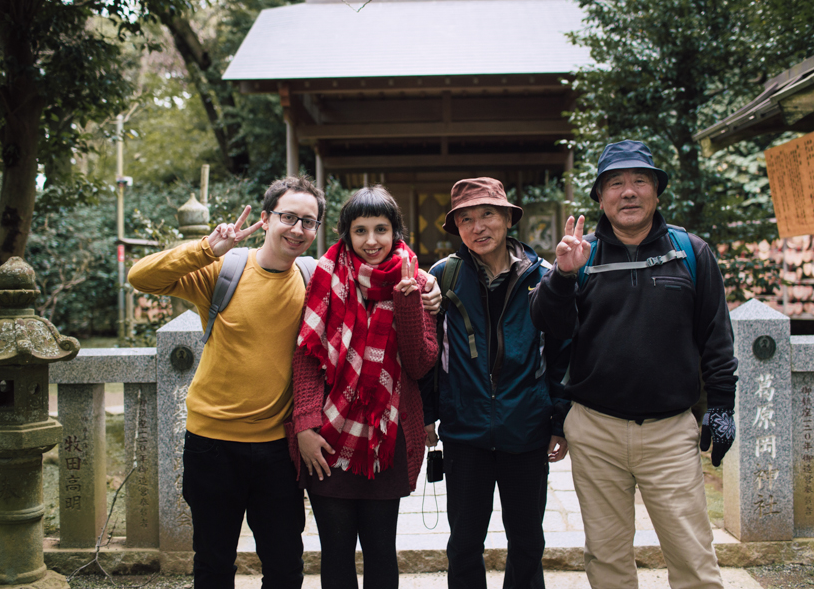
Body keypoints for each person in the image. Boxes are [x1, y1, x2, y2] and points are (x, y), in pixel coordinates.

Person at [528, 140, 738, 589]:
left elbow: (716, 336)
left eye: (639, 181)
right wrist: (562, 277)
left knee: (693, 558)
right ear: (600, 198)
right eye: (615, 183)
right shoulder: (580, 255)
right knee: (607, 560)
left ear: (657, 192)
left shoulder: (690, 252)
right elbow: (549, 326)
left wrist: (722, 405)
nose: (628, 192)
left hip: (669, 431)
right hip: (596, 428)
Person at [127, 175, 326, 589]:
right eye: (288, 217)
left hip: (279, 449)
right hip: (212, 445)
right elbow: (140, 277)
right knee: (214, 564)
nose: (298, 229)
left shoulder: (313, 280)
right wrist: (207, 248)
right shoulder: (223, 270)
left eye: (309, 222)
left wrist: (428, 287)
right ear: (268, 217)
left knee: (286, 565)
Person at [423, 177, 571, 589]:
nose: (478, 226)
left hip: (526, 430)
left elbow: (561, 352)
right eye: (466, 219)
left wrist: (558, 419)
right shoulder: (443, 277)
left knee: (527, 542)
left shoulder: (541, 277)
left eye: (487, 213)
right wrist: (429, 415)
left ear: (507, 218)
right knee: (464, 544)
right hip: (464, 433)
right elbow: (428, 352)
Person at [290, 185, 438, 589]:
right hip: (328, 438)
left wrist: (407, 302)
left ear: (396, 232)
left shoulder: (419, 281)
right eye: (360, 230)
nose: (371, 241)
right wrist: (304, 426)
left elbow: (421, 363)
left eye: (381, 229)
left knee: (380, 554)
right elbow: (307, 355)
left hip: (385, 439)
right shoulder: (324, 275)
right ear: (345, 233)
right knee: (335, 556)